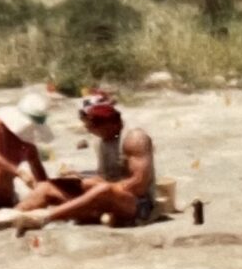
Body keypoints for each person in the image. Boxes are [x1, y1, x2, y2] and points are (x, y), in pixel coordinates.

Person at [16, 91, 156, 231]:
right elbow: (104, 176)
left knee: (103, 189)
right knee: (47, 187)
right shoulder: (101, 141)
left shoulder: (135, 139)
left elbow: (139, 185)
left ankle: (45, 217)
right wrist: (82, 180)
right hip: (104, 198)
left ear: (107, 124)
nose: (88, 131)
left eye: (90, 126)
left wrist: (102, 189)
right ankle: (14, 215)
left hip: (137, 205)